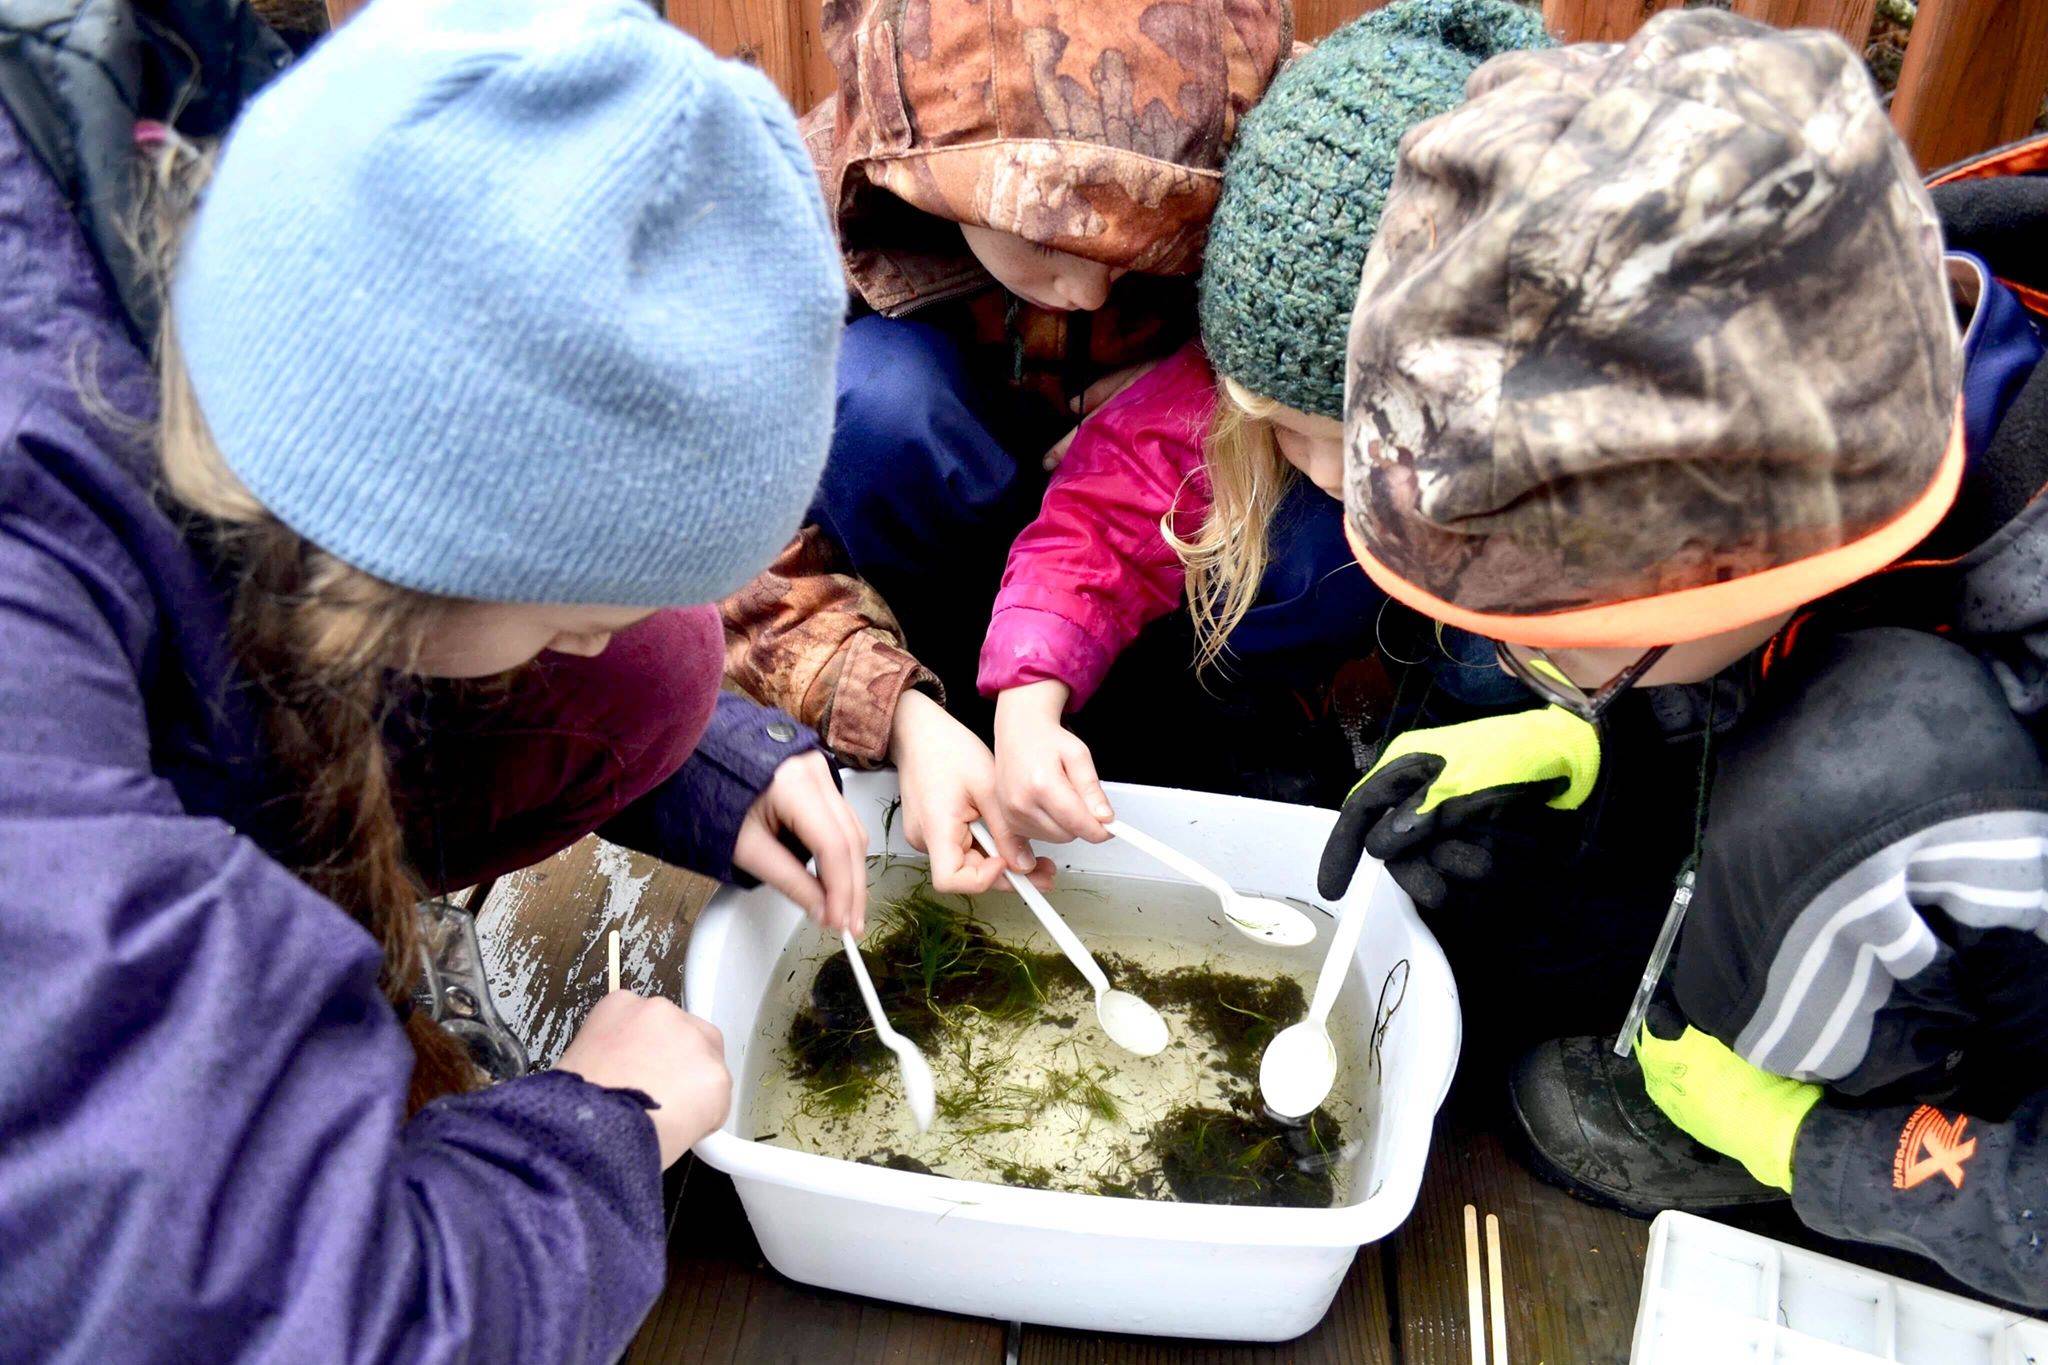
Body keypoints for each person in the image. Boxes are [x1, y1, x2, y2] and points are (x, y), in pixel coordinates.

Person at [0, 0, 864, 1354]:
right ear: (397, 551)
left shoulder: (295, 277)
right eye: (579, 608)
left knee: (660, 682)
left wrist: (720, 771)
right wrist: (594, 1135)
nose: (597, 640)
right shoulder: (28, 585)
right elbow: (260, 1313)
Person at [1319, 10, 2047, 1307]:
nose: (1514, 652)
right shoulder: (1831, 305)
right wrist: (1575, 727)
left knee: (1874, 765)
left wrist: (1816, 1143)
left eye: (1551, 631)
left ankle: (1822, 1087)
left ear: (1740, 563)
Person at [721, 0, 1293, 892]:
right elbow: (718, 543)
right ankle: (960, 719)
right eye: (1048, 238)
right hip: (942, 546)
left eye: (1147, 239)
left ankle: (1185, 712)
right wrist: (896, 710)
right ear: (926, 184)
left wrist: (1194, 382)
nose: (1094, 290)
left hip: (1161, 528)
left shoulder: (1272, 138)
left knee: (1306, 509)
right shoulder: (788, 219)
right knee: (875, 403)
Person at [979, 0, 1549, 842]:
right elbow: (1093, 530)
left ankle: (1458, 765)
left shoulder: (1541, 438)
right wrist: (1028, 703)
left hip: (1460, 643)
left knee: (1500, 654)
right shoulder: (1209, 405)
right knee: (1297, 532)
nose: (1325, 468)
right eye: (1286, 424)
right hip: (1267, 655)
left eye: (1361, 439)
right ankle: (1257, 718)